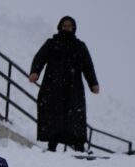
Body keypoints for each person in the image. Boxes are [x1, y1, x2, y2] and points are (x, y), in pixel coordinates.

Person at [29, 16, 100, 153]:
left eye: (69, 25)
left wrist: (93, 83)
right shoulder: (52, 43)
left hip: (74, 89)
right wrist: (35, 72)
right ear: (60, 27)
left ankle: (79, 146)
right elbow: (40, 58)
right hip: (53, 87)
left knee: (75, 117)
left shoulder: (80, 46)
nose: (66, 27)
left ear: (73, 28)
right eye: (64, 25)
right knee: (53, 116)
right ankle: (52, 145)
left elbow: (88, 66)